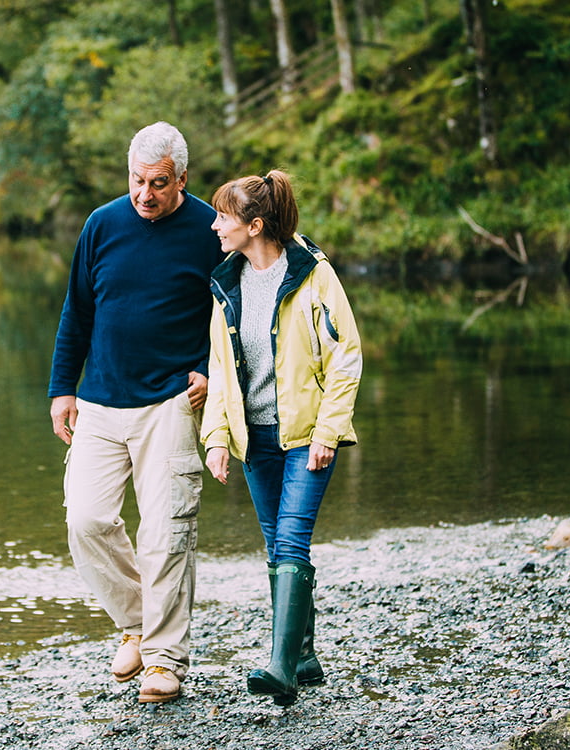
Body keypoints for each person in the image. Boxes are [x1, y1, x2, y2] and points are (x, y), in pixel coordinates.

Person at [47, 121, 225, 704]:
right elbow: (76, 310)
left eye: (159, 183)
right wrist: (61, 388)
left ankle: (165, 661)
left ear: (182, 179)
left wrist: (208, 369)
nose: (145, 194)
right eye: (137, 181)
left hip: (171, 400)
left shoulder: (207, 229)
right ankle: (137, 623)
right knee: (87, 520)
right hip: (98, 399)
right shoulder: (102, 224)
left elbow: (229, 314)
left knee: (167, 532)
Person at [200, 170, 362, 706]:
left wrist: (329, 430)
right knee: (277, 546)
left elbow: (346, 357)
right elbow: (220, 371)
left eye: (224, 216)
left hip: (307, 436)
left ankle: (280, 670)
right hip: (256, 439)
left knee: (290, 539)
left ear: (255, 224)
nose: (216, 225)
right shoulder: (227, 284)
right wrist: (217, 437)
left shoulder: (314, 276)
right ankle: (305, 655)